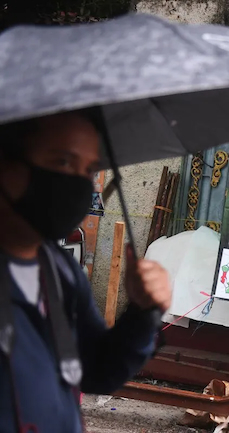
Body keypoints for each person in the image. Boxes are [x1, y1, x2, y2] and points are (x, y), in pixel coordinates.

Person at [0, 110, 172, 433]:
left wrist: (143, 314)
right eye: (63, 162)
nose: (78, 185)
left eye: (89, 170)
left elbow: (96, 370)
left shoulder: (59, 271)